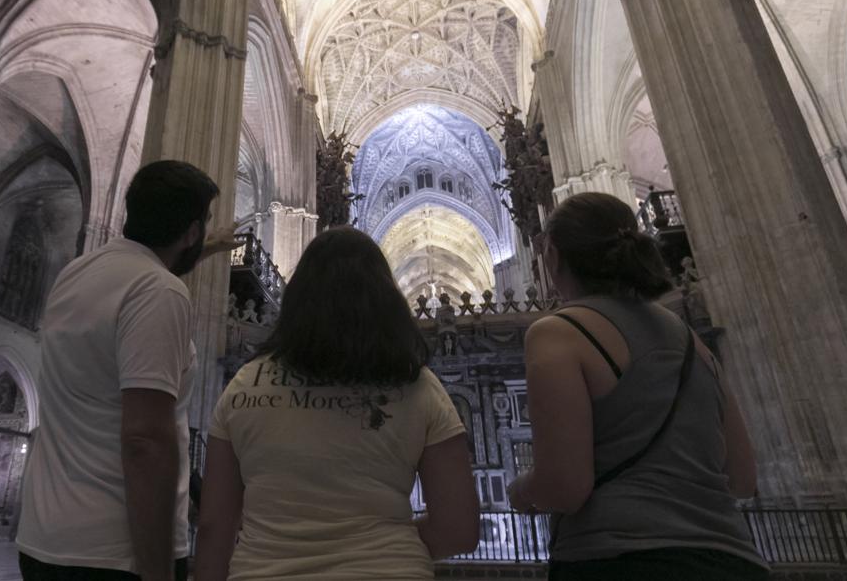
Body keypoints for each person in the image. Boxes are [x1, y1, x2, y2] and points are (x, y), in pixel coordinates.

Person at [506, 192, 767, 580]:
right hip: (732, 559)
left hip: (620, 558)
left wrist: (522, 492)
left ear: (554, 258)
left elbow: (565, 487)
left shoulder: (559, 333)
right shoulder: (692, 342)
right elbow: (743, 478)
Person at [195, 227, 480, 580]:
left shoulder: (244, 385)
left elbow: (213, 526)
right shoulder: (418, 386)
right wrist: (379, 548)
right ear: (385, 300)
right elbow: (459, 528)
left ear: (298, 298)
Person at [17, 160, 240, 581]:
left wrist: (206, 247)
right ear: (190, 232)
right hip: (116, 551)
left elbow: (142, 278)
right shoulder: (160, 292)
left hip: (43, 538)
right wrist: (157, 571)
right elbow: (144, 440)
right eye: (203, 226)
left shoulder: (78, 272)